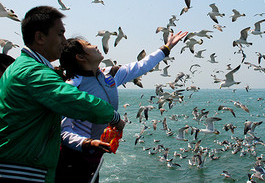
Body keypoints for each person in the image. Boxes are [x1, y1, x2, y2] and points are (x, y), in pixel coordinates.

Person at [0, 6, 125, 183]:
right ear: (40, 37)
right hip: (23, 171)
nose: (65, 41)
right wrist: (113, 117)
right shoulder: (33, 72)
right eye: (60, 34)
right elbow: (74, 100)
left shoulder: (18, 67)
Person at [55, 31, 187, 182]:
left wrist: (167, 47)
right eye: (89, 45)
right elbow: (63, 130)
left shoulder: (109, 74)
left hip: (95, 154)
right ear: (80, 57)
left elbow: (141, 66)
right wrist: (86, 143)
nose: (96, 45)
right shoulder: (72, 87)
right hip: (73, 158)